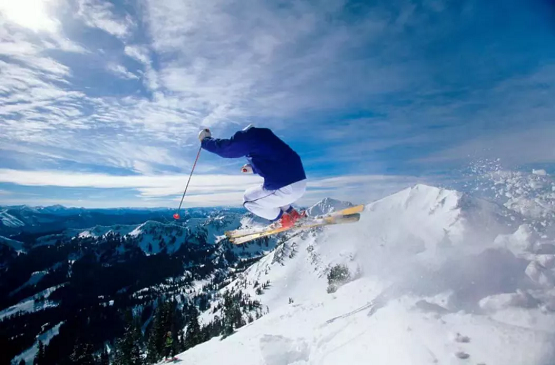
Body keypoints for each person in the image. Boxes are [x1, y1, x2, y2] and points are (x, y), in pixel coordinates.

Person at [199, 125, 307, 228]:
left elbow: (227, 149)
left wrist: (206, 140)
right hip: (299, 183)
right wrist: (253, 168)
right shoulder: (269, 138)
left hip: (285, 186)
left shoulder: (250, 136)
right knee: (268, 194)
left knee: (248, 200)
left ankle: (284, 219)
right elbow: (275, 160)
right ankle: (292, 213)